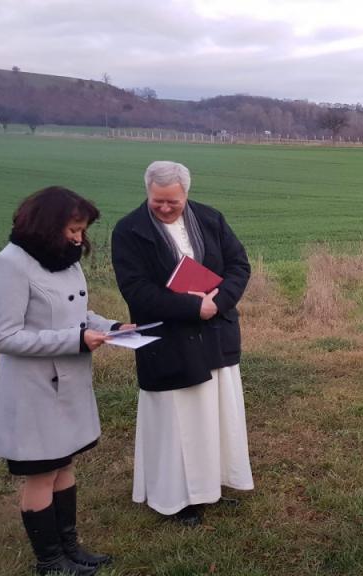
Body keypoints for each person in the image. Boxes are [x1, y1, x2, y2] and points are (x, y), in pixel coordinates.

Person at [0, 186, 128, 575]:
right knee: (41, 474)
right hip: (32, 391)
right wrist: (74, 341)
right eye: (72, 230)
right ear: (47, 225)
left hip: (68, 383)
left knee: (65, 467)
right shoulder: (10, 264)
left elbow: (78, 313)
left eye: (82, 231)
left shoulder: (65, 261)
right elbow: (3, 337)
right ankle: (49, 562)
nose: (79, 239)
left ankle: (71, 549)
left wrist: (113, 328)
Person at [111, 161, 253, 526]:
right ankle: (176, 498)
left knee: (216, 416)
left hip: (215, 333)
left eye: (172, 201)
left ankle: (213, 486)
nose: (164, 208)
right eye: (158, 201)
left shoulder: (210, 219)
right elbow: (136, 291)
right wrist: (193, 306)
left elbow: (239, 266)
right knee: (179, 423)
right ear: (147, 192)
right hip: (168, 340)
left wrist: (216, 303)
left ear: (186, 194)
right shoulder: (129, 230)